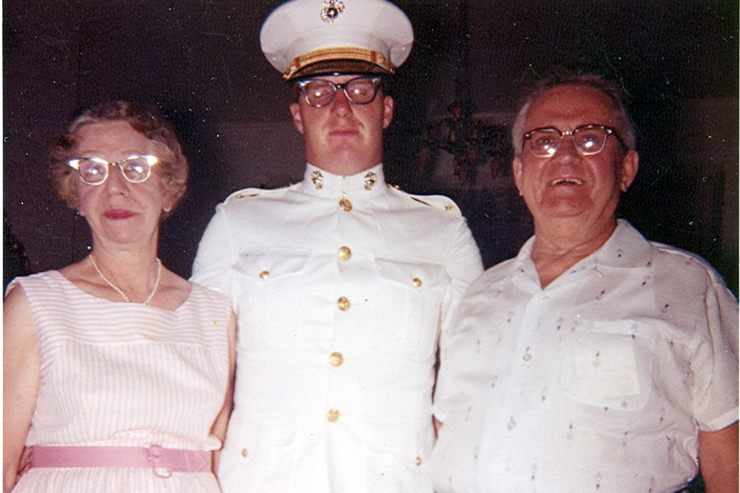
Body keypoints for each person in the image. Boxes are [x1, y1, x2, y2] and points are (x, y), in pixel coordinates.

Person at [191, 0, 483, 491]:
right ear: (298, 115)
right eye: (319, 92)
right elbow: (202, 370)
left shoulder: (443, 231)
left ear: (386, 109)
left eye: (360, 89)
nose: (341, 108)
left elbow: (469, 384)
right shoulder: (239, 222)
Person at [431, 72, 739, 493]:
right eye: (544, 140)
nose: (566, 156)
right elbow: (442, 431)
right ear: (520, 174)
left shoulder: (688, 285)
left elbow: (730, 460)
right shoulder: (480, 294)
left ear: (627, 168)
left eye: (591, 138)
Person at [3, 101, 237, 493]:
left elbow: (216, 456)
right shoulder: (35, 304)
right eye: (92, 170)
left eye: (135, 166)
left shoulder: (214, 314)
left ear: (167, 189)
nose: (115, 187)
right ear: (75, 193)